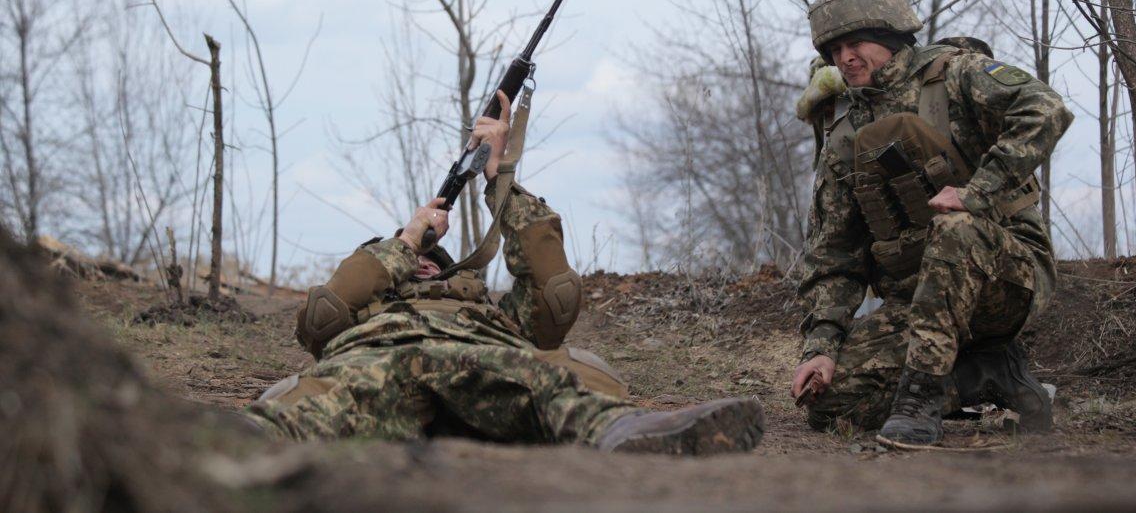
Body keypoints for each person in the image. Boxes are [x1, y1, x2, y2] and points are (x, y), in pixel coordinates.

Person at [247, 90, 764, 454]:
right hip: (378, 360)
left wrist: (500, 179)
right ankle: (224, 446)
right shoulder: (366, 310)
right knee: (319, 404)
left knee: (552, 387)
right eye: (408, 259)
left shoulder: (491, 315)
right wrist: (405, 240)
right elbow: (321, 317)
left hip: (487, 358)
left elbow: (555, 292)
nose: (422, 258)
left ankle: (636, 437)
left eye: (429, 257)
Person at [790, 0, 1073, 446]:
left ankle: (920, 401)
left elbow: (1044, 108)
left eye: (856, 42)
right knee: (831, 404)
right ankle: (984, 375)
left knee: (954, 228)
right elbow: (834, 253)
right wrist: (821, 345)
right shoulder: (844, 134)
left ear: (888, 34)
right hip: (919, 306)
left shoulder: (955, 74)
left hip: (1004, 278)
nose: (845, 58)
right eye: (834, 49)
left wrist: (978, 191)